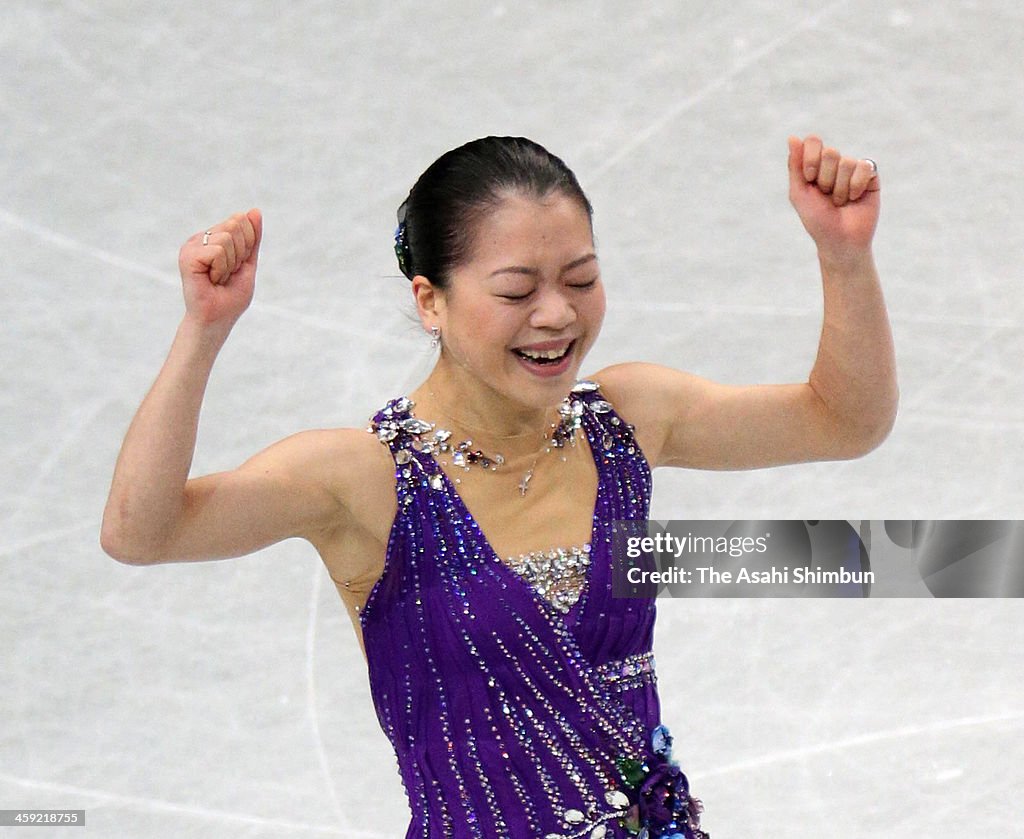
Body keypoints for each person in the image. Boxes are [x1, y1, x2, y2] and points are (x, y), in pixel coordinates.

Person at [101, 134, 897, 838]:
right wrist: (203, 329)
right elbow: (141, 531)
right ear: (430, 301)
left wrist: (843, 254)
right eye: (516, 291)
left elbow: (843, 421)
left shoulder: (628, 420)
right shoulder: (364, 481)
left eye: (581, 280)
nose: (557, 315)